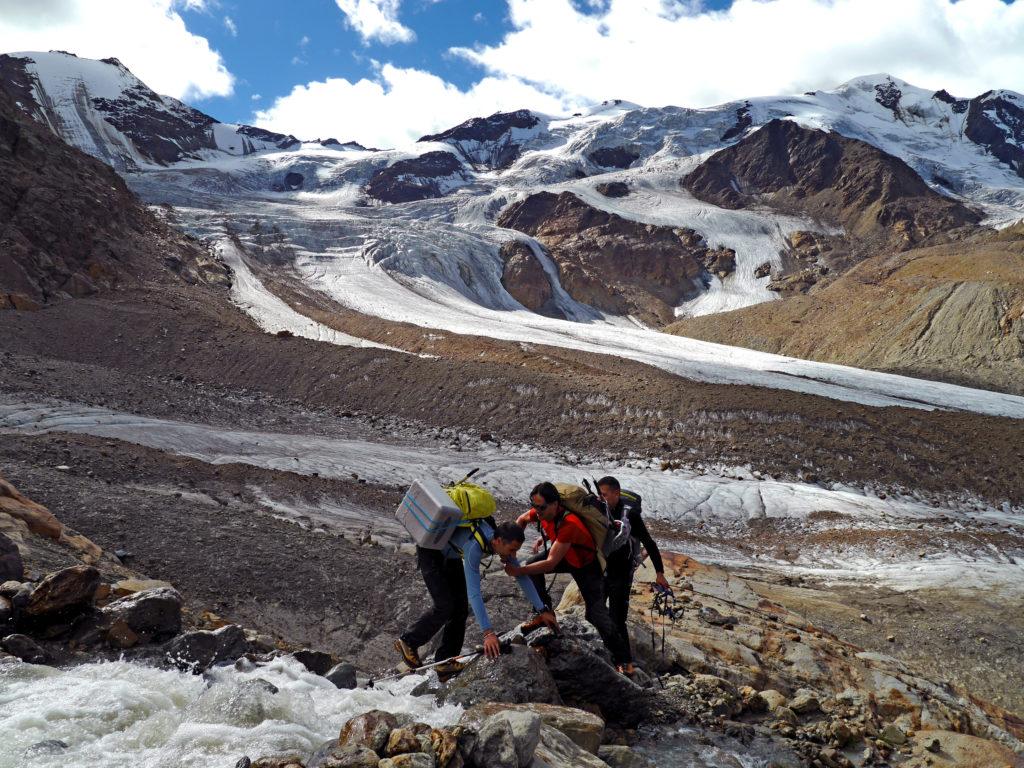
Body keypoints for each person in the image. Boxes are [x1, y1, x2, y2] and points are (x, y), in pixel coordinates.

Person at [395, 520, 557, 674]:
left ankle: (445, 662)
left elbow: (521, 576)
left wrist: (542, 609)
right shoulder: (474, 547)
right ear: (499, 541)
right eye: (512, 550)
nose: (513, 554)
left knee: (460, 610)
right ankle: (408, 641)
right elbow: (474, 593)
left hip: (451, 554)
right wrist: (488, 633)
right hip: (430, 551)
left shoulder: (497, 541)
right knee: (445, 606)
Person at [508, 481, 633, 673]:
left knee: (596, 614)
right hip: (568, 557)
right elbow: (522, 519)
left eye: (541, 507)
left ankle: (624, 660)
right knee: (532, 566)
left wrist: (518, 571)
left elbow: (550, 562)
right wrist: (512, 547)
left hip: (587, 566)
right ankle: (544, 612)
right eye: (534, 506)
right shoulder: (542, 512)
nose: (537, 511)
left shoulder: (569, 524)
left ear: (555, 504)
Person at [596, 476, 669, 665]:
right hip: (603, 568)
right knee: (597, 612)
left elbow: (649, 543)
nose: (601, 498)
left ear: (616, 493)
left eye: (604, 494)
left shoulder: (630, 515)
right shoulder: (600, 510)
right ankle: (609, 652)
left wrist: (659, 573)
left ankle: (625, 661)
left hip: (622, 571)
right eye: (599, 494)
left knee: (617, 618)